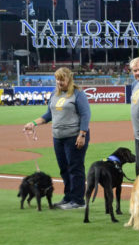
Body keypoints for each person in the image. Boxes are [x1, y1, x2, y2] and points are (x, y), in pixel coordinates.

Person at [23, 67, 91, 209]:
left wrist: (82, 134)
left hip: (74, 136)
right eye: (57, 79)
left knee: (75, 168)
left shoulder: (78, 94)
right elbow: (49, 115)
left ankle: (78, 201)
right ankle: (68, 198)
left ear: (69, 79)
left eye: (62, 79)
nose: (59, 82)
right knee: (64, 169)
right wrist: (34, 123)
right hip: (58, 137)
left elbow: (86, 115)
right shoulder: (55, 95)